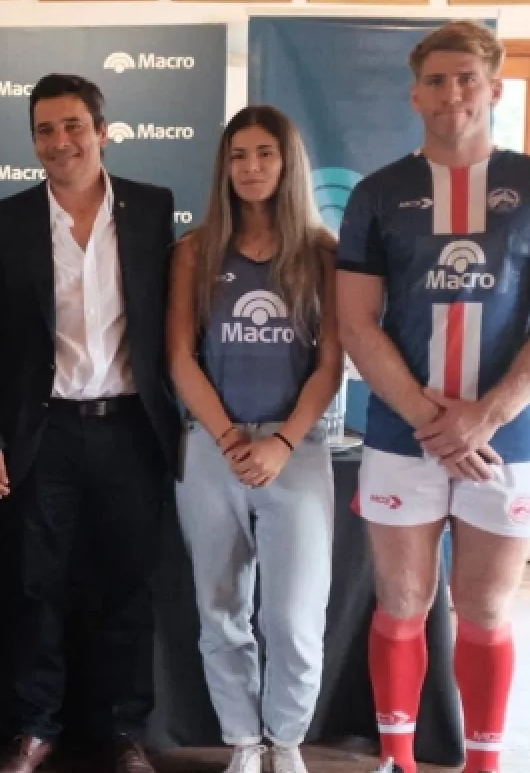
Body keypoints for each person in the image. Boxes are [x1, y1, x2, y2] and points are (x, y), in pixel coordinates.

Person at [337, 21, 530, 773]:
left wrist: (484, 418)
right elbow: (355, 322)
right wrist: (431, 420)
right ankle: (398, 761)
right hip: (402, 436)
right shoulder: (378, 194)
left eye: (467, 78)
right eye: (436, 80)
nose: (452, 93)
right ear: (415, 95)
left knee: (487, 609)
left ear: (494, 88)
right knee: (403, 602)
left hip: (507, 439)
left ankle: (484, 765)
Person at [0, 74, 179, 773]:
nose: (60, 142)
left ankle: (124, 732)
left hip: (131, 429)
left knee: (128, 587)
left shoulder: (151, 209)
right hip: (43, 431)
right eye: (45, 130)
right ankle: (35, 728)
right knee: (36, 588)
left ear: (102, 132)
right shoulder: (5, 220)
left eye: (73, 126)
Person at [167, 106, 343, 773]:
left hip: (296, 451)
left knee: (294, 617)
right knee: (221, 609)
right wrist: (228, 437)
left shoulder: (323, 254)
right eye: (238, 155)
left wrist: (281, 444)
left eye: (265, 153)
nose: (251, 167)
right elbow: (180, 357)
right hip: (213, 449)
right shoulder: (196, 250)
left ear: (287, 162)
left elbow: (330, 364)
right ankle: (243, 741)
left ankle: (287, 740)